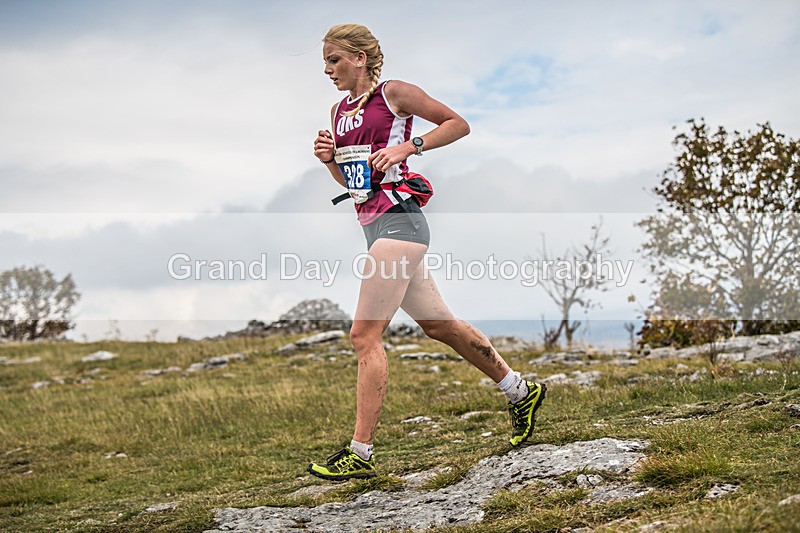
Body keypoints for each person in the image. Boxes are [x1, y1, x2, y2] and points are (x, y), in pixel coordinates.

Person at [308, 23, 546, 481]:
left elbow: (458, 124)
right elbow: (354, 185)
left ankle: (360, 451)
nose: (328, 70)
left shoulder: (394, 93)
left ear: (360, 57)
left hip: (403, 222)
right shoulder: (338, 111)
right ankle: (521, 391)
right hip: (373, 224)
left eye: (334, 60)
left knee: (364, 335)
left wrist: (407, 146)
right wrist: (330, 162)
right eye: (325, 63)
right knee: (440, 326)